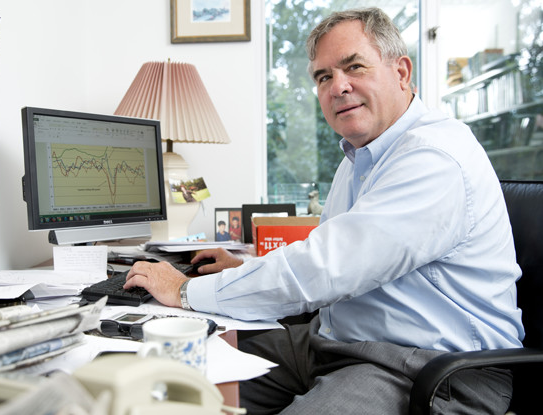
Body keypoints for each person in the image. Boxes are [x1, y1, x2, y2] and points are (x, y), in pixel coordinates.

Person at [124, 7, 523, 414]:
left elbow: (328, 267)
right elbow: (336, 252)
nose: (338, 87)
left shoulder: (434, 158)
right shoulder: (361, 157)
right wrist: (243, 266)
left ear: (401, 72)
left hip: (428, 368)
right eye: (323, 76)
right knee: (171, 369)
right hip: (336, 342)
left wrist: (185, 290)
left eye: (354, 67)